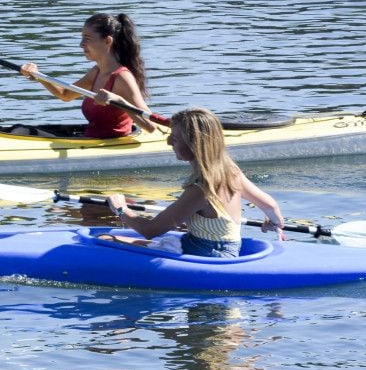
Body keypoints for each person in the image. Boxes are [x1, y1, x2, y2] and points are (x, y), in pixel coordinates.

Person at [103, 107, 284, 258]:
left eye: (174, 138)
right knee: (109, 239)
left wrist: (121, 209)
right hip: (215, 248)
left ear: (194, 143)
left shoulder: (200, 190)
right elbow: (270, 205)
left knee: (106, 240)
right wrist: (274, 222)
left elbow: (150, 229)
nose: (168, 143)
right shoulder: (231, 171)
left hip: (208, 256)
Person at [20, 13, 157, 137]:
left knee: (22, 132)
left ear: (108, 41)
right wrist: (38, 76)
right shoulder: (96, 72)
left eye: (87, 38)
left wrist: (119, 101)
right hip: (89, 140)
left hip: (109, 147)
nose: (81, 44)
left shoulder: (122, 78)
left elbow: (151, 126)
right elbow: (65, 94)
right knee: (19, 130)